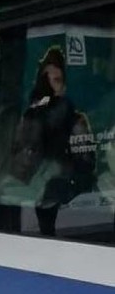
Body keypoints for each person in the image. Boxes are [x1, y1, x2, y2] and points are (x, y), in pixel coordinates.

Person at [12, 47, 95, 236]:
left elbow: (86, 163)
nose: (50, 86)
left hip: (66, 201)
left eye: (56, 80)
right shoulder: (29, 118)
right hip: (29, 196)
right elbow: (17, 153)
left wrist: (64, 181)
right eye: (46, 81)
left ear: (63, 85)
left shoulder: (75, 121)